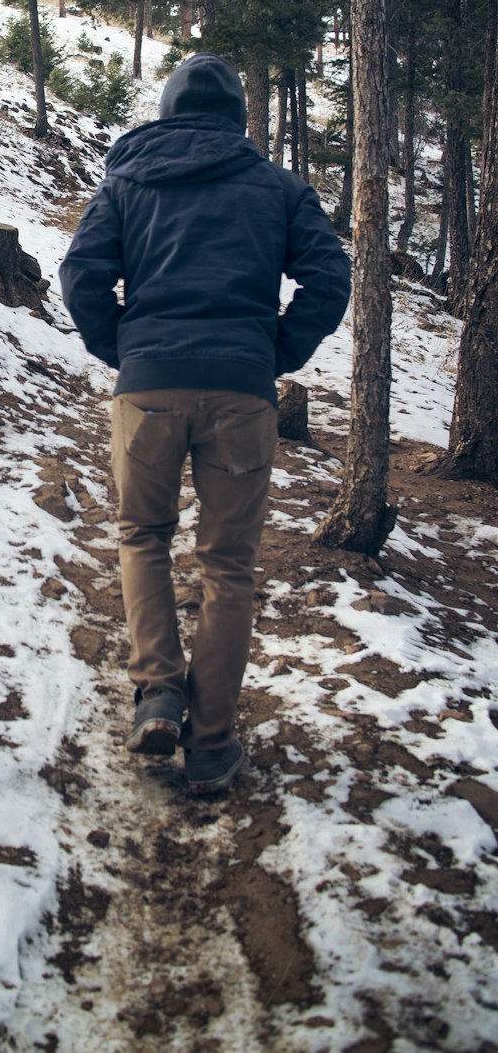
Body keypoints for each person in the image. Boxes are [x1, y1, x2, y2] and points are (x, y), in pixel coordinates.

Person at [59, 52, 351, 795]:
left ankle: (157, 688)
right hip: (242, 394)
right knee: (229, 567)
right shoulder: (279, 187)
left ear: (166, 111)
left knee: (142, 535)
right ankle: (214, 742)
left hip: (149, 387)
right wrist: (274, 351)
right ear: (238, 122)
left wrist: (124, 348)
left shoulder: (126, 180)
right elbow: (329, 276)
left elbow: (82, 274)